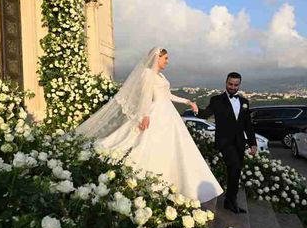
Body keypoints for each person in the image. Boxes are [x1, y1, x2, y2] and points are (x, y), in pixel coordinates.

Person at [76, 47, 222, 205]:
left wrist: (188, 101)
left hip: (169, 113)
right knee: (148, 145)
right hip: (156, 112)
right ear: (157, 58)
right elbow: (145, 96)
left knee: (172, 147)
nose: (167, 61)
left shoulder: (161, 75)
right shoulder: (147, 73)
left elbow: (168, 95)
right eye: (165, 58)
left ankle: (175, 180)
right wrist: (145, 115)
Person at [198, 72, 257, 214]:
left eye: (236, 85)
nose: (232, 87)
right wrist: (194, 108)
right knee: (235, 167)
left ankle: (230, 201)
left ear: (239, 85)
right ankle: (231, 202)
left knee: (235, 171)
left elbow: (247, 125)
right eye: (230, 84)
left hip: (239, 143)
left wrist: (253, 143)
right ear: (226, 82)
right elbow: (204, 115)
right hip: (224, 141)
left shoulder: (244, 102)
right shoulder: (216, 100)